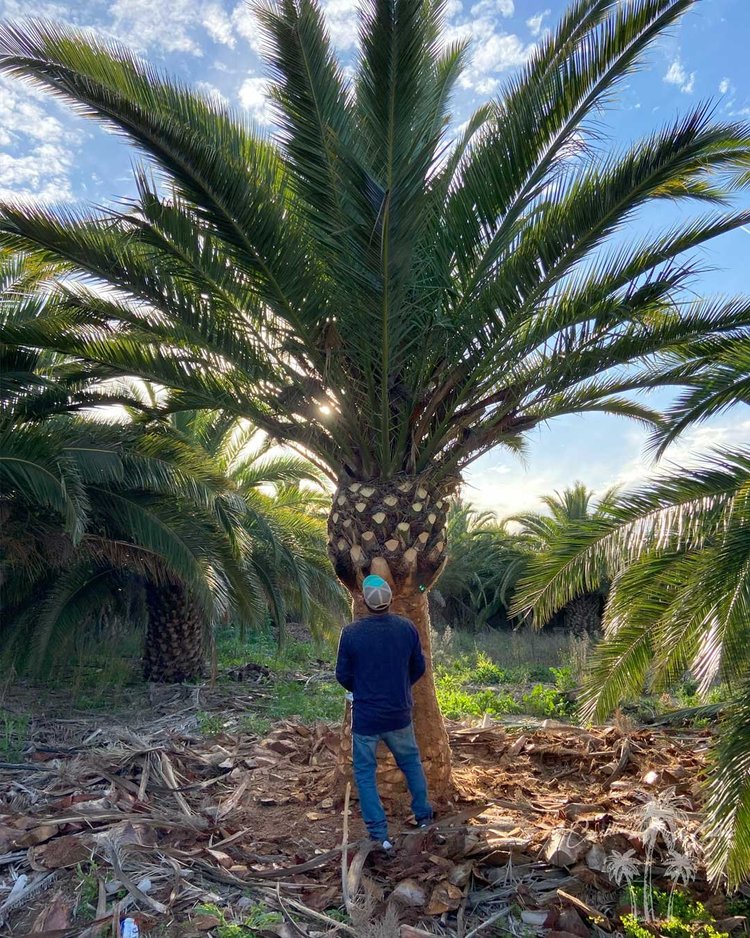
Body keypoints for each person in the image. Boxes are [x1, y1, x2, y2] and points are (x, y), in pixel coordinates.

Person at [335, 573, 434, 851]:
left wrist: (364, 690)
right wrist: (399, 687)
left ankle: (379, 835)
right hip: (399, 714)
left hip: (366, 719)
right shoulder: (407, 628)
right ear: (390, 600)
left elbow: (342, 675)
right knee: (411, 764)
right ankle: (424, 818)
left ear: (365, 603)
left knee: (365, 774)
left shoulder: (351, 633)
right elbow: (418, 668)